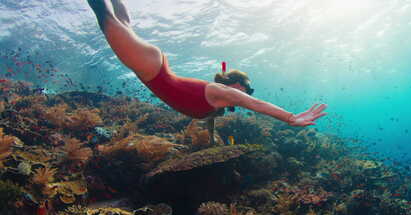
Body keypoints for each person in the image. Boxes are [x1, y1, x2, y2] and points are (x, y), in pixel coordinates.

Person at [87, 0, 327, 130]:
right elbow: (256, 104)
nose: (247, 94)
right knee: (106, 17)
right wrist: (290, 117)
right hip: (153, 70)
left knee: (122, 23)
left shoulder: (218, 103)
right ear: (235, 84)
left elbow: (209, 115)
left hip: (153, 67)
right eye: (247, 88)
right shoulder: (222, 92)